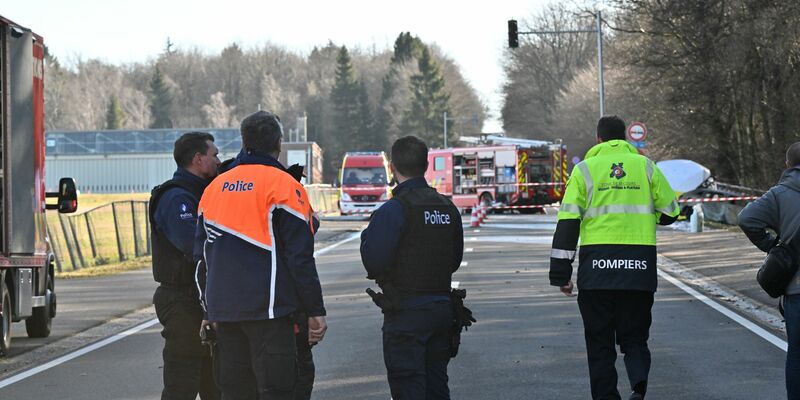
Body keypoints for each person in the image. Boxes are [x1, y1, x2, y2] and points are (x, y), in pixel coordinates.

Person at [194, 111, 327, 400]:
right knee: (277, 390)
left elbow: (202, 259)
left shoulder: (214, 188)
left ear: (244, 142)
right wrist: (315, 309)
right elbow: (300, 258)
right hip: (270, 313)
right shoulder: (284, 185)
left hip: (225, 313)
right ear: (279, 143)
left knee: (236, 393)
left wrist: (207, 311)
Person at [549, 116, 679, 400]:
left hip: (596, 270)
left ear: (598, 139)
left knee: (599, 343)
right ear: (625, 138)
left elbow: (568, 223)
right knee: (635, 337)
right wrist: (650, 215)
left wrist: (561, 274)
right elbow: (671, 212)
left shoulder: (584, 170)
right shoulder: (646, 166)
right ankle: (638, 384)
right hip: (639, 268)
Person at [360, 135, 464, 400]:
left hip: (406, 312)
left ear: (392, 167)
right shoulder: (447, 207)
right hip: (442, 309)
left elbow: (374, 261)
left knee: (408, 386)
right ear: (426, 165)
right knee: (437, 385)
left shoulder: (394, 210)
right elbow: (454, 260)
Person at [150, 132, 221, 400]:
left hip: (203, 298)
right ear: (198, 159)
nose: (219, 161)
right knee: (182, 383)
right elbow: (194, 245)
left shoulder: (203, 194)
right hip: (182, 298)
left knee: (216, 384)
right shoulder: (176, 198)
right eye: (214, 155)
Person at [738, 141, 800, 400]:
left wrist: (772, 246)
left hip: (796, 288)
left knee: (797, 355)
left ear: (787, 164)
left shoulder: (779, 194)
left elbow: (746, 218)